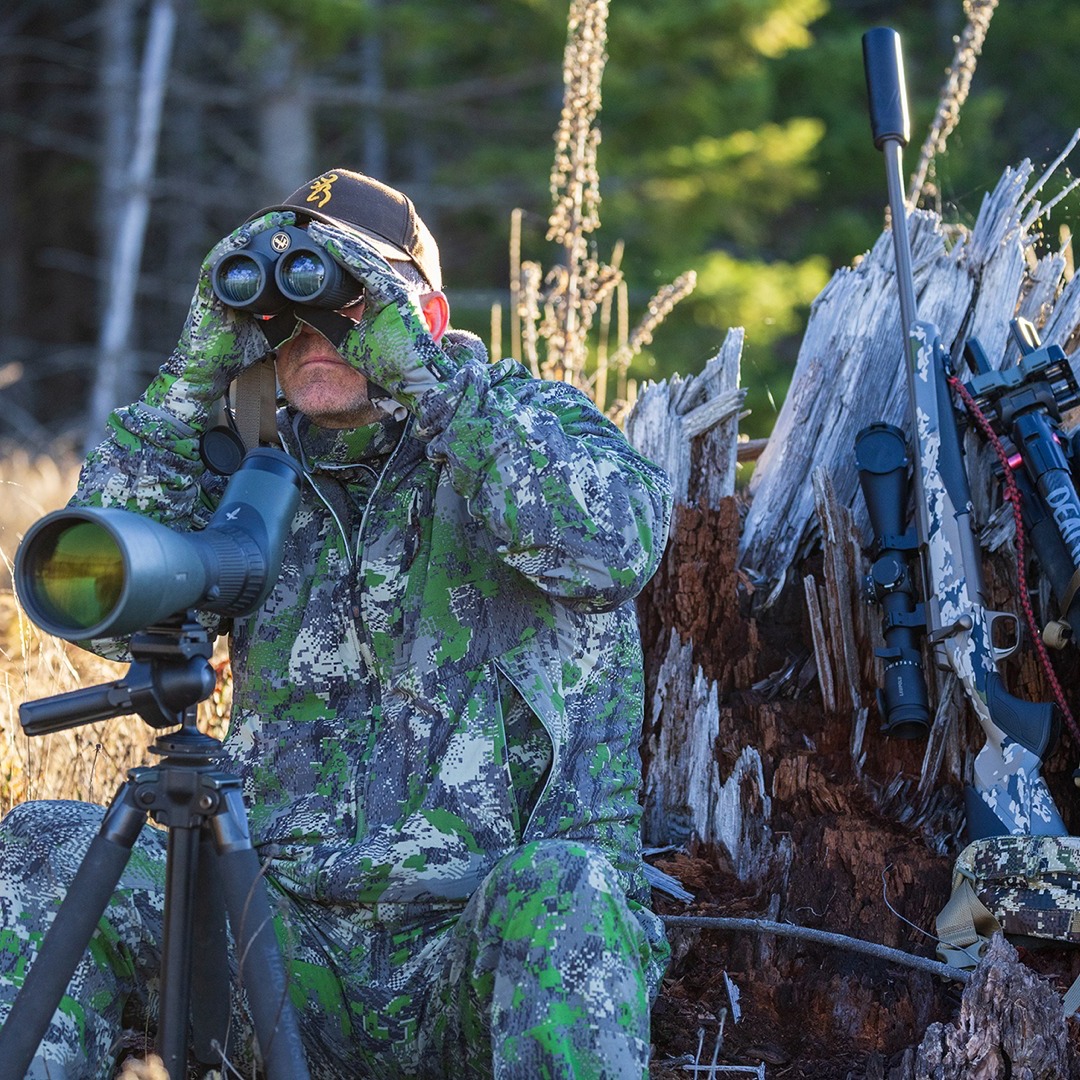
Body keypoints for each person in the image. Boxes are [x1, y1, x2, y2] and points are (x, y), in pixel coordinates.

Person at [0, 169, 673, 1078]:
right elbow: (100, 609)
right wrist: (192, 376)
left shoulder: (525, 423)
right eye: (285, 312)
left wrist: (430, 384)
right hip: (279, 949)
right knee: (45, 843)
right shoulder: (251, 473)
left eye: (344, 297)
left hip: (479, 951)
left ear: (424, 314)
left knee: (571, 890)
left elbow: (613, 548)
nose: (313, 332)